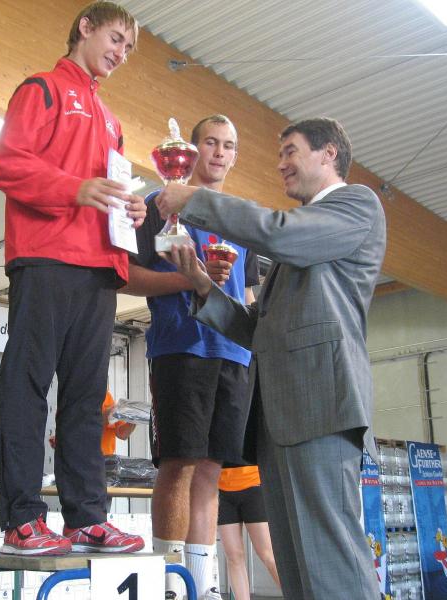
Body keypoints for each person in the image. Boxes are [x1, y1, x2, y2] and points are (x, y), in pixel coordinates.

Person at [157, 117, 386, 599]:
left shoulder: (355, 205)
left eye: (290, 152)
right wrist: (202, 284)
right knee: (299, 564)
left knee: (331, 561)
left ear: (328, 154)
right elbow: (257, 331)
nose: (280, 164)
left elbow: (276, 232)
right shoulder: (299, 242)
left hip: (321, 409)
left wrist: (194, 199)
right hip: (281, 420)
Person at [0, 1, 147, 556]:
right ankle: (23, 519)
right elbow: (6, 163)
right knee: (27, 386)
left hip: (99, 267)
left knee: (86, 399)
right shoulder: (44, 89)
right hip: (47, 257)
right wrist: (74, 189)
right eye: (117, 39)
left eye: (129, 48)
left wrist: (130, 212)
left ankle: (86, 518)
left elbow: (107, 191)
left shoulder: (112, 120)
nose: (121, 53)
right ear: (86, 27)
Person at [123, 114, 259, 599]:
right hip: (181, 346)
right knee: (178, 465)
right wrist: (190, 280)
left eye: (229, 145)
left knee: (210, 472)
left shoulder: (240, 217)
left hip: (234, 355)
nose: (220, 153)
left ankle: (200, 587)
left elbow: (248, 292)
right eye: (211, 143)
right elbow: (126, 277)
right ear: (191, 150)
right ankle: (169, 585)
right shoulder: (160, 204)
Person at [217, 466, 280, 600]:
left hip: (253, 485)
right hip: (222, 489)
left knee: (268, 554)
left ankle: (297, 595)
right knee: (234, 557)